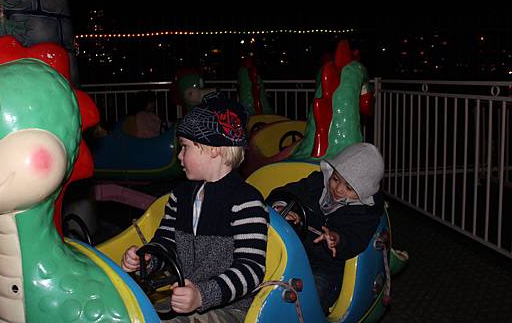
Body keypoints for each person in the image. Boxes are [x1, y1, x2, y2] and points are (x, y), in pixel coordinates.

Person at [121, 92, 269, 322]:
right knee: (131, 315)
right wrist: (147, 260)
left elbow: (251, 270)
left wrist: (202, 295)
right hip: (187, 299)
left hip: (234, 309)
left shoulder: (245, 201)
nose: (180, 156)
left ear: (214, 149)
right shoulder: (180, 196)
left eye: (185, 147)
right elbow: (166, 243)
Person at [268, 142, 384, 315]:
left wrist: (337, 239)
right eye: (335, 179)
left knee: (312, 294)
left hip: (326, 267)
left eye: (349, 188)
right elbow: (288, 192)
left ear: (363, 191)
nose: (338, 189)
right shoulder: (317, 183)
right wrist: (283, 207)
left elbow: (355, 239)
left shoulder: (364, 213)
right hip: (292, 252)